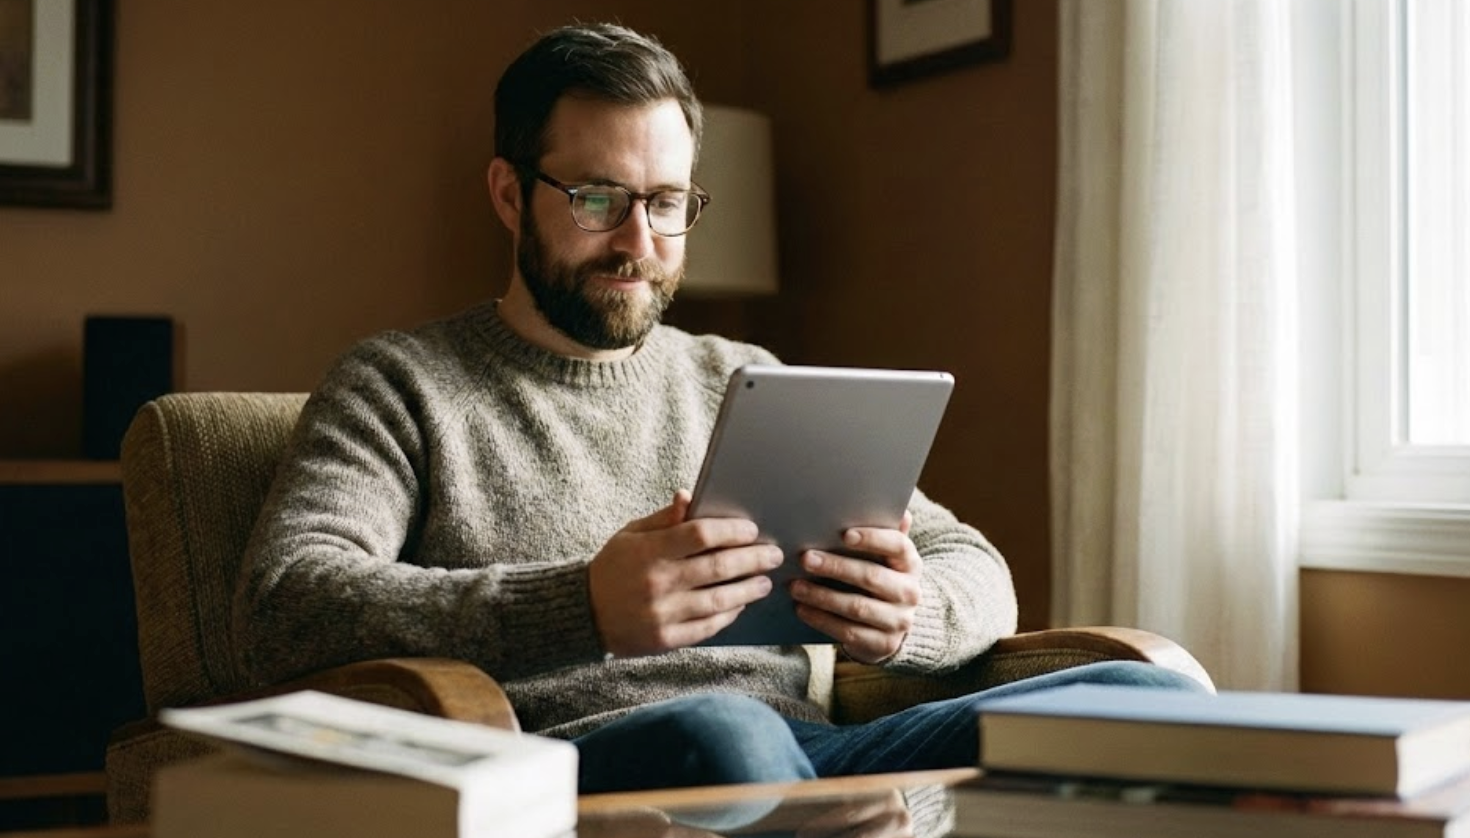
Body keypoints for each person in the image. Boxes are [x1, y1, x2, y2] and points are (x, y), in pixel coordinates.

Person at [233, 22, 1205, 795]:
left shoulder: (740, 376)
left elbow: (975, 563)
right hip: (576, 771)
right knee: (724, 729)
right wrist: (581, 607)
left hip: (814, 761)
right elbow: (286, 603)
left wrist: (910, 613)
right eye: (597, 197)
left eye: (665, 202)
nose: (637, 239)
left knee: (1151, 696)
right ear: (507, 193)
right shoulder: (400, 383)